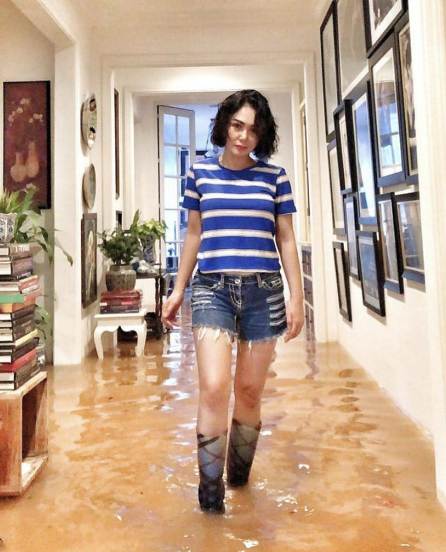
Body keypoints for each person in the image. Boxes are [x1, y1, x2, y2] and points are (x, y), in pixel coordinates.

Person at [161, 89, 304, 514]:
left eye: (253, 130)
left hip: (265, 293)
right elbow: (193, 234)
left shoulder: (274, 178)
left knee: (249, 390)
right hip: (212, 290)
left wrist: (297, 297)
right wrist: (178, 289)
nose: (243, 136)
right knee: (213, 387)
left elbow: (286, 239)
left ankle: (239, 481)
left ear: (263, 135)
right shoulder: (199, 174)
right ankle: (210, 502)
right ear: (224, 124)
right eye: (237, 126)